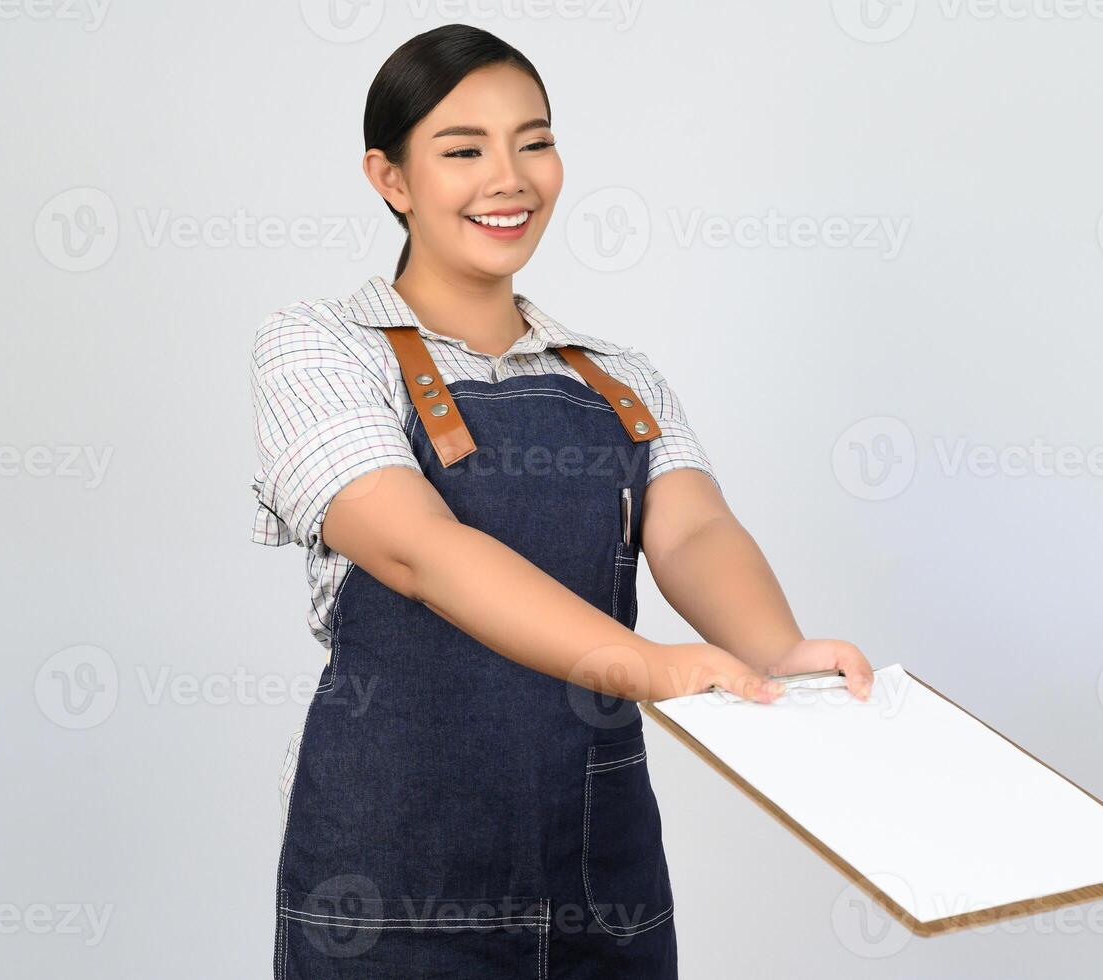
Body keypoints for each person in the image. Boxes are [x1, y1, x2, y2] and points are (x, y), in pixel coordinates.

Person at [249, 24, 875, 978]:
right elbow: (418, 548)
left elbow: (694, 526)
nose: (511, 178)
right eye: (463, 151)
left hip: (602, 883)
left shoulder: (617, 376)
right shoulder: (319, 348)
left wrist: (774, 650)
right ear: (392, 179)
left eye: (533, 142)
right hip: (388, 900)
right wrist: (648, 667)